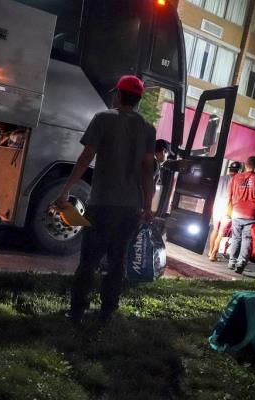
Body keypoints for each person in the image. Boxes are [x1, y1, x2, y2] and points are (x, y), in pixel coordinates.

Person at [55, 75, 155, 324]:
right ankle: (107, 311)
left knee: (89, 260)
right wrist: (148, 206)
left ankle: (77, 311)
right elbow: (147, 170)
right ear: (139, 99)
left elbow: (87, 155)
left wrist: (66, 189)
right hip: (130, 207)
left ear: (118, 94)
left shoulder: (103, 118)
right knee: (117, 260)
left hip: (101, 202)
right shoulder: (148, 128)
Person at [226, 156, 255, 274]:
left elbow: (229, 196)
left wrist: (228, 211)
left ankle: (232, 262)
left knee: (235, 237)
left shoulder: (235, 178)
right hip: (253, 214)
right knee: (247, 239)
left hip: (236, 212)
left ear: (245, 165)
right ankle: (241, 263)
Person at [208, 161, 241, 261]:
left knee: (215, 230)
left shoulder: (220, 178)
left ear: (230, 169)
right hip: (227, 209)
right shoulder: (238, 181)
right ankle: (213, 255)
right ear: (238, 171)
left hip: (216, 206)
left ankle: (210, 252)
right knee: (221, 232)